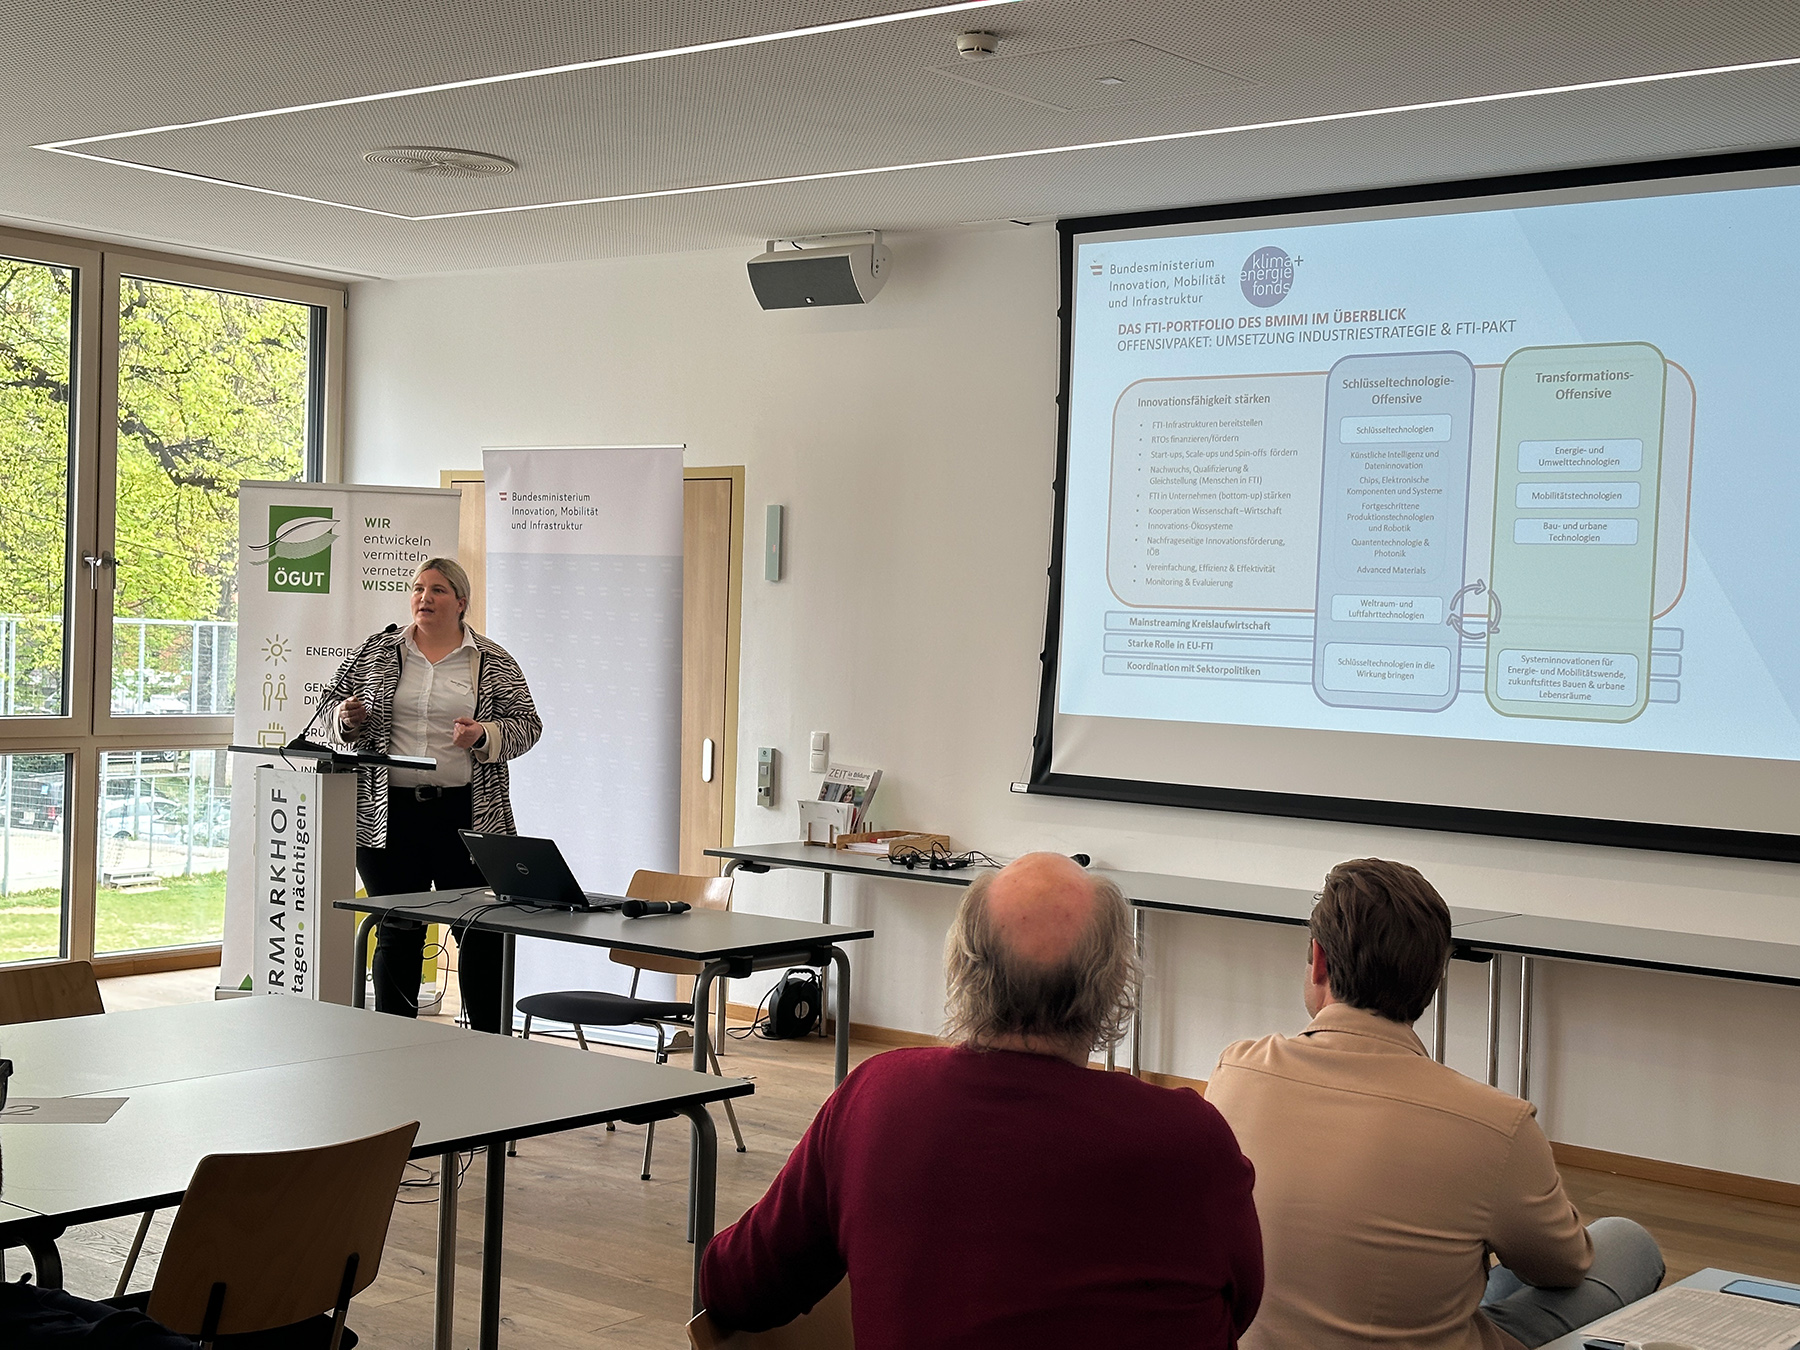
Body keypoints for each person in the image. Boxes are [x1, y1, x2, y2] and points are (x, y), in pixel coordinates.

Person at [699, 852, 1264, 1349]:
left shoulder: (876, 1099)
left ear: (963, 968)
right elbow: (1239, 1308)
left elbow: (734, 1287)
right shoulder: (1191, 1138)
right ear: (1115, 983)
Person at [1206, 858, 1664, 1350]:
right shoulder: (1496, 1124)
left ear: (1319, 960)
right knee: (1625, 1240)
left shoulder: (1236, 1071)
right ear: (1433, 976)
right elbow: (1562, 1266)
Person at [323, 557, 541, 1033]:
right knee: (397, 929)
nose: (424, 598)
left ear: (461, 602)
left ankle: (488, 1046)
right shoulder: (377, 651)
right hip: (389, 816)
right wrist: (347, 720)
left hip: (467, 815)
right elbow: (328, 711)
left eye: (438, 590)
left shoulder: (491, 660)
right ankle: (393, 1043)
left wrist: (483, 734)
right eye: (419, 588)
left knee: (480, 932)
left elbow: (528, 726)